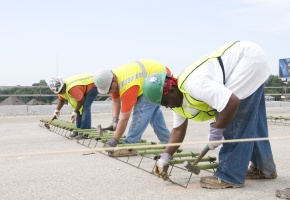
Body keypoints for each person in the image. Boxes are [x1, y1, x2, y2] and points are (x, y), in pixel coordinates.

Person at [142, 41, 277, 189]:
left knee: (235, 120)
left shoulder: (195, 84)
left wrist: (217, 132)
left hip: (247, 59)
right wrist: (165, 158)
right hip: (251, 60)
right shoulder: (177, 101)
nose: (167, 106)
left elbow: (230, 103)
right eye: (164, 105)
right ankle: (264, 168)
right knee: (252, 121)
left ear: (172, 90)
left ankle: (230, 176)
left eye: (166, 102)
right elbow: (178, 130)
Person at [94, 59, 171, 156]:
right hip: (153, 76)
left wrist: (114, 140)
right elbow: (115, 100)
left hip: (160, 78)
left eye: (109, 89)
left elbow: (125, 118)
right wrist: (114, 120)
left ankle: (131, 145)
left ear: (113, 80)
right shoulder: (113, 80)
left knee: (141, 110)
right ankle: (168, 141)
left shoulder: (127, 85)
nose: (109, 92)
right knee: (153, 114)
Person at [49, 73, 98, 139]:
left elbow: (81, 100)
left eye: (61, 91)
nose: (61, 93)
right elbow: (61, 100)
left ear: (63, 85)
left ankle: (85, 132)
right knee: (78, 109)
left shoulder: (72, 88)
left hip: (93, 85)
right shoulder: (60, 90)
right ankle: (77, 131)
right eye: (59, 92)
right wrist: (57, 110)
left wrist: (74, 112)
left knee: (85, 107)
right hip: (84, 87)